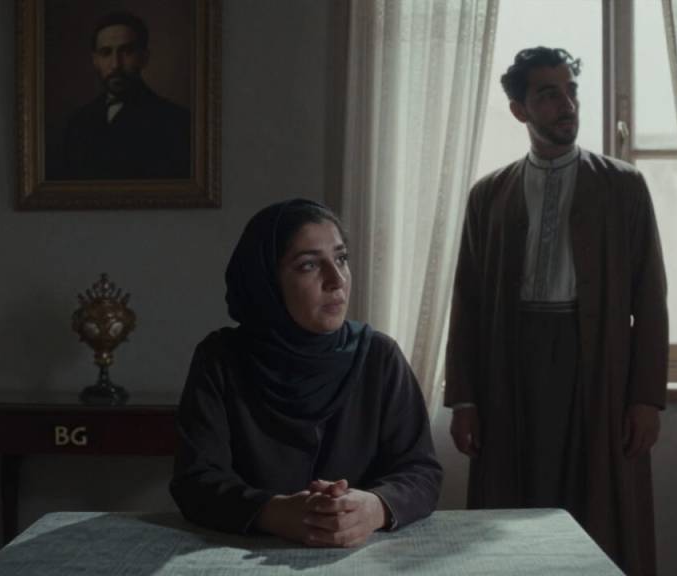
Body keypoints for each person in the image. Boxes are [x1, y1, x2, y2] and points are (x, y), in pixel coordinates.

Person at [444, 47, 668, 574]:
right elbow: (468, 302)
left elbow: (650, 299)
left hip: (598, 363)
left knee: (600, 505)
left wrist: (645, 398)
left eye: (571, 91)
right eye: (549, 95)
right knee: (511, 507)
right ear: (520, 109)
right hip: (511, 362)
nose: (567, 105)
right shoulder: (489, 194)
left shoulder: (623, 186)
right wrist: (464, 400)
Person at [170, 199, 442, 547]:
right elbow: (195, 480)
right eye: (309, 265)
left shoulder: (378, 356)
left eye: (341, 259)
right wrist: (273, 512)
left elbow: (421, 471)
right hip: (243, 552)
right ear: (266, 281)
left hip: (361, 553)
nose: (336, 280)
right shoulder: (221, 359)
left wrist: (373, 508)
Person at [59, 11, 190, 180]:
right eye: (106, 52)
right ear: (95, 60)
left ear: (144, 57)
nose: (115, 65)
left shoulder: (176, 122)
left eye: (127, 51)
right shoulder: (77, 123)